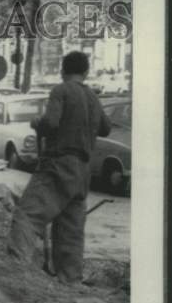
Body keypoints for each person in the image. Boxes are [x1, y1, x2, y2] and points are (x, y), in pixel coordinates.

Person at [7, 51, 112, 283]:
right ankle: (70, 282)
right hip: (83, 172)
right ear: (86, 72)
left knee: (27, 215)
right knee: (71, 232)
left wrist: (37, 123)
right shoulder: (93, 96)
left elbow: (52, 122)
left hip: (58, 165)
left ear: (63, 70)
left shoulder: (61, 90)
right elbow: (105, 128)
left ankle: (16, 277)